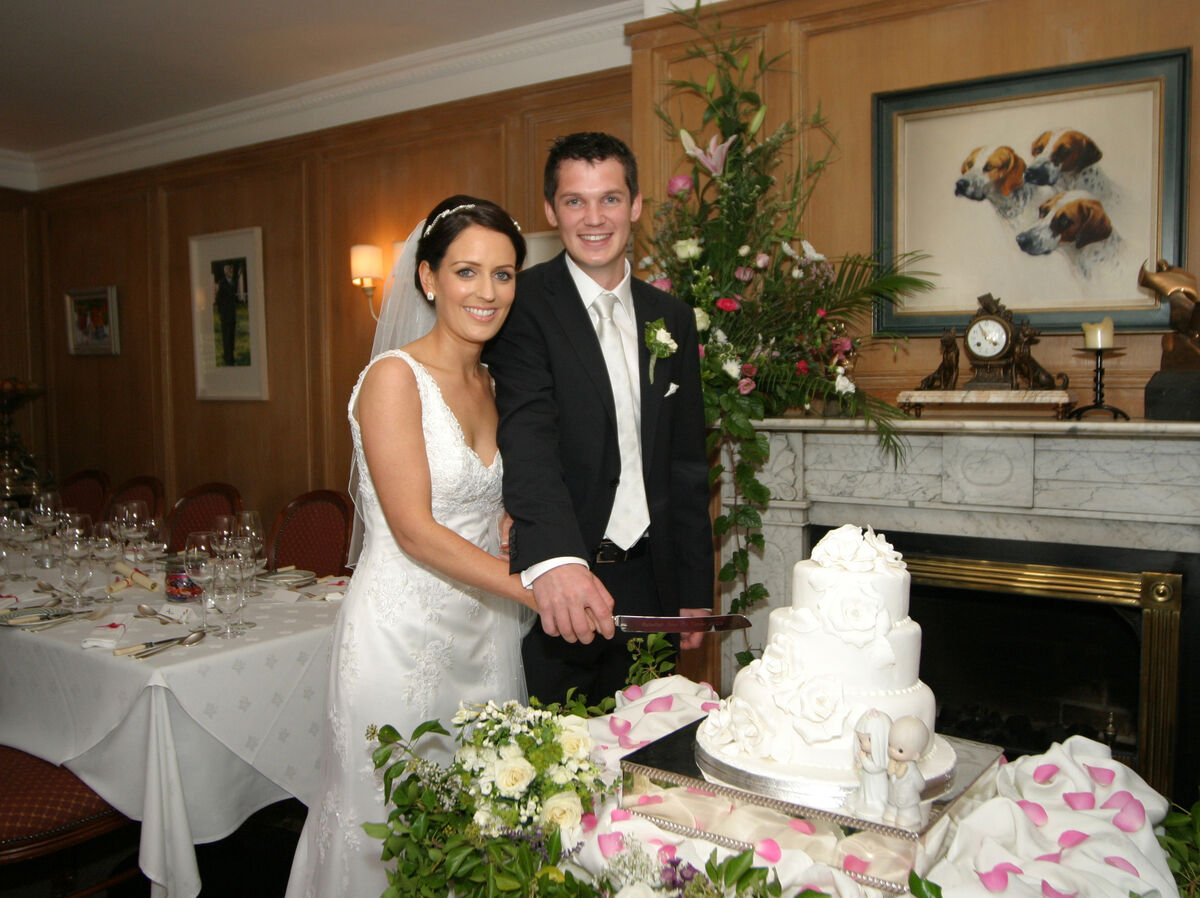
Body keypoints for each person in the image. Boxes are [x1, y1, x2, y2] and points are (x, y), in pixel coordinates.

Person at [284, 196, 537, 898]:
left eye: (504, 274)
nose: (487, 292)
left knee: (482, 817)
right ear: (428, 278)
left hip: (486, 631)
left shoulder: (495, 382)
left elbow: (495, 490)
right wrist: (532, 587)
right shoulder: (394, 378)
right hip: (401, 635)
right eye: (466, 271)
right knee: (390, 825)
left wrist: (512, 515)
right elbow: (414, 529)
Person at [485, 132, 714, 706]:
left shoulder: (672, 317)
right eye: (575, 201)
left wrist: (693, 588)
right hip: (564, 575)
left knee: (652, 746)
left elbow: (686, 462)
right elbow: (528, 437)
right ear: (551, 210)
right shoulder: (522, 305)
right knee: (565, 753)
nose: (594, 218)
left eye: (610, 198)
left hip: (654, 581)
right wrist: (557, 563)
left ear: (635, 206)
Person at [214, 262, 241, 365]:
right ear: (226, 271)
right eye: (229, 269)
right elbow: (219, 300)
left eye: (231, 269)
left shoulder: (232, 282)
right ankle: (227, 358)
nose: (231, 271)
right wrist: (222, 313)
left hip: (232, 315)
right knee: (226, 338)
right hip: (226, 317)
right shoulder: (222, 283)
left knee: (231, 338)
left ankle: (231, 357)